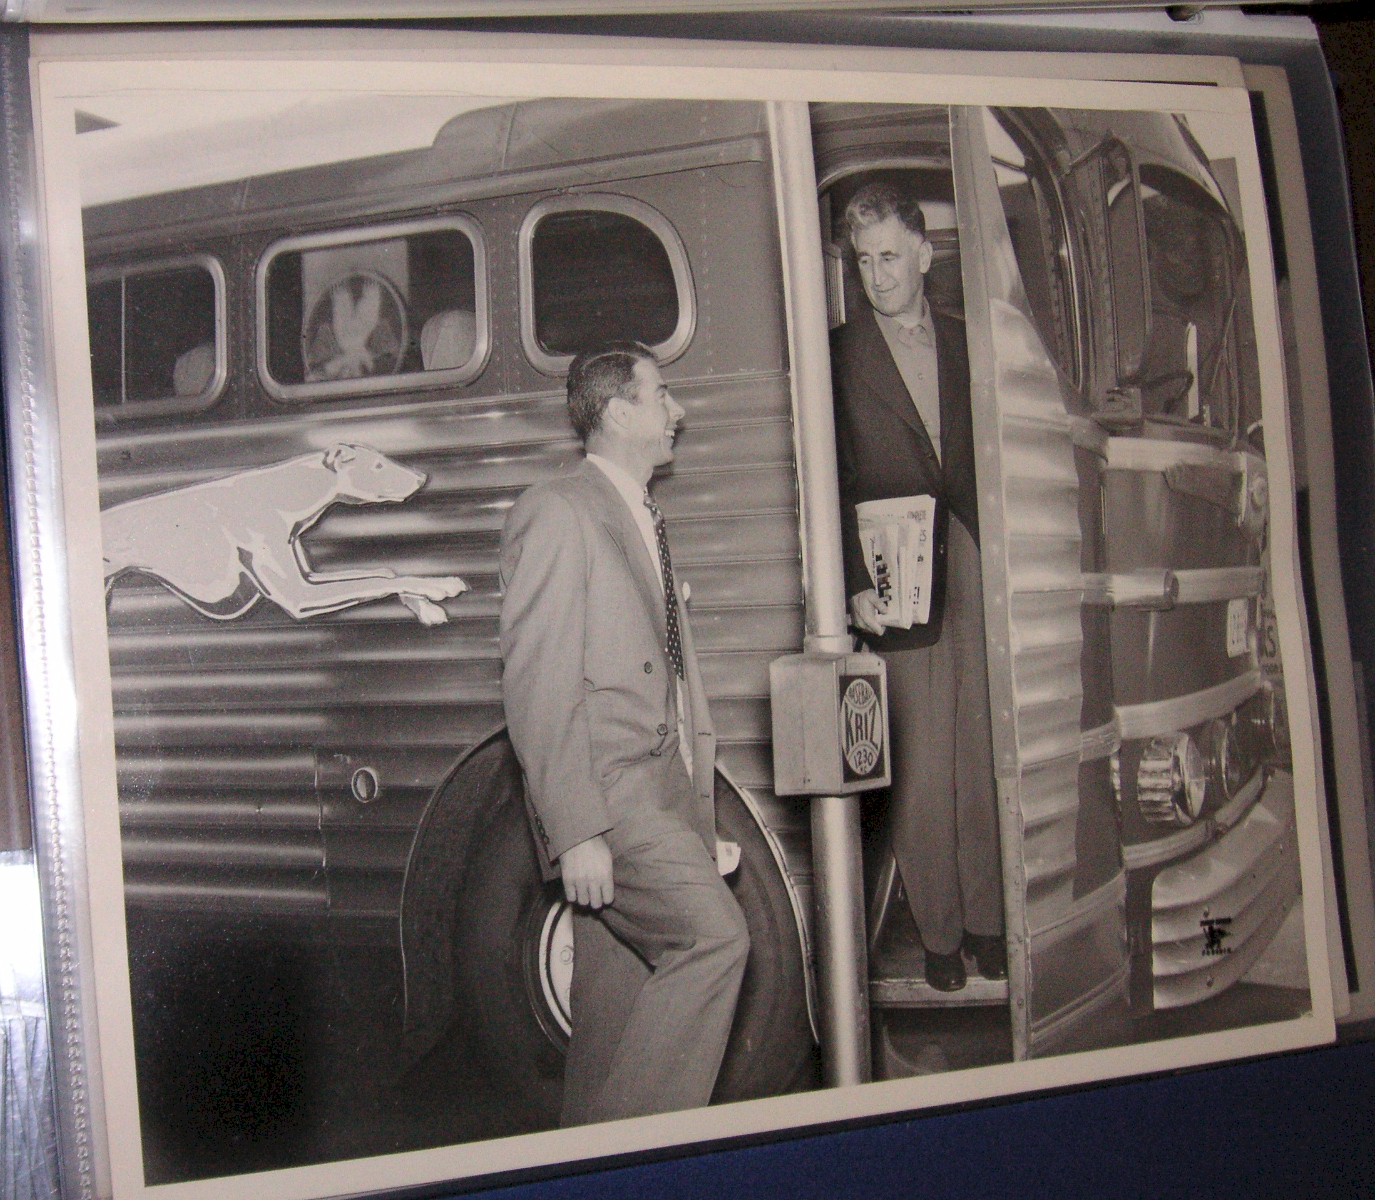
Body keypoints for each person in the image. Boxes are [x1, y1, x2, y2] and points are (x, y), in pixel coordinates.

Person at [499, 340, 749, 1126]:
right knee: (714, 941)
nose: (679, 411)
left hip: (657, 794)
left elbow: (667, 680)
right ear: (616, 411)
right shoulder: (558, 510)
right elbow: (537, 683)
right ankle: (648, 1163)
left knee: (615, 1016)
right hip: (611, 798)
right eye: (662, 394)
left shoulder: (640, 516)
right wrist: (577, 831)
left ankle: (584, 1161)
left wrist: (696, 813)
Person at [830, 182, 1004, 993]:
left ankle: (990, 923)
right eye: (864, 261)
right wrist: (852, 585)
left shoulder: (974, 341)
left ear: (926, 255)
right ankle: (939, 936)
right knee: (924, 767)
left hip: (974, 554)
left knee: (985, 749)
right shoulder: (837, 356)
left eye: (891, 257)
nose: (878, 276)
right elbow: (827, 481)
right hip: (894, 572)